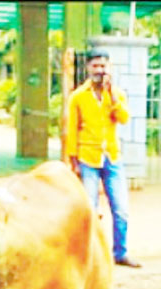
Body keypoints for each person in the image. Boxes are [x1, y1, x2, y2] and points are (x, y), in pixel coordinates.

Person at [66, 48, 141, 268]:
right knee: (89, 210)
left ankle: (121, 252)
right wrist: (73, 161)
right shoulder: (78, 97)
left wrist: (113, 97)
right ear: (88, 68)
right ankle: (88, 256)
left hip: (112, 156)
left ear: (110, 68)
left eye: (104, 66)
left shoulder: (116, 94)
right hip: (87, 157)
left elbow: (124, 118)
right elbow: (72, 129)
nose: (100, 70)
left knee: (121, 209)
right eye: (96, 66)